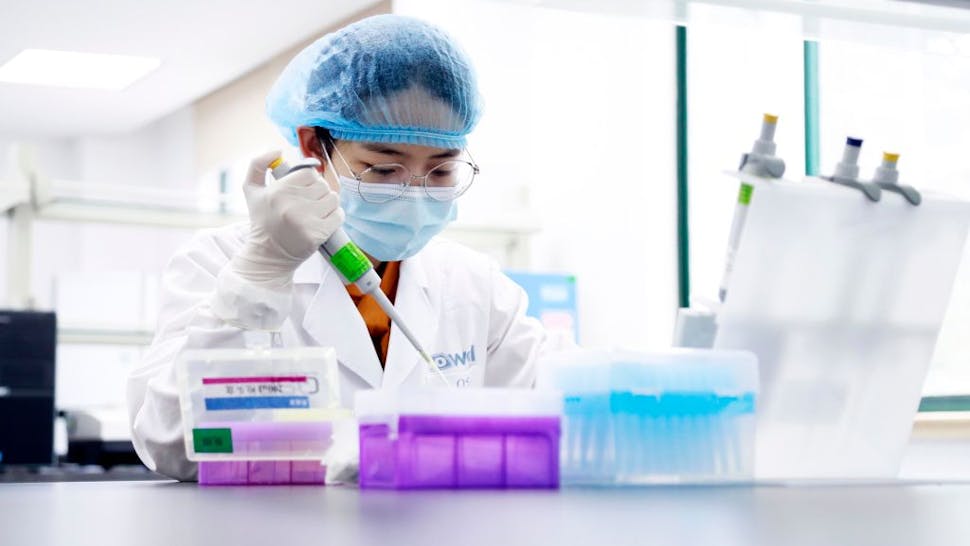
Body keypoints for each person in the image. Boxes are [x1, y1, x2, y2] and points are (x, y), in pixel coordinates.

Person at [126, 14, 561, 481]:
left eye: (441, 171)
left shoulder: (473, 284)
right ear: (314, 146)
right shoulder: (219, 262)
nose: (414, 193)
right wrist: (260, 274)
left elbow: (561, 403)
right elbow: (172, 445)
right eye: (383, 169)